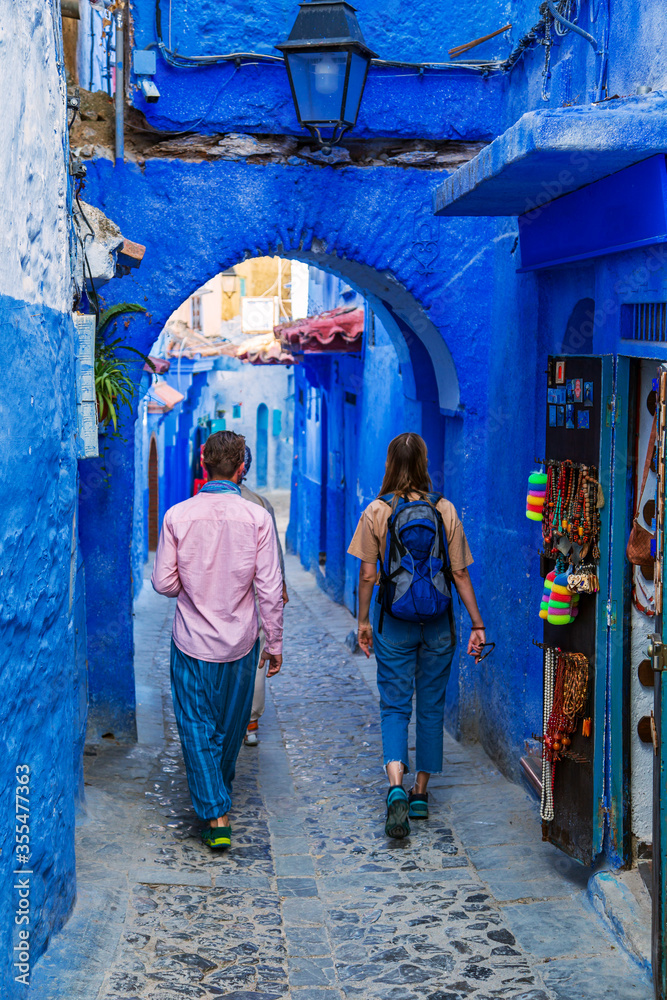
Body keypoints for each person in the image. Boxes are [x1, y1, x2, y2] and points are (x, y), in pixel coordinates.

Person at [348, 432, 485, 840]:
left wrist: (363, 622)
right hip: (439, 625)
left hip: (394, 624)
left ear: (390, 463)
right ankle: (421, 792)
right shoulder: (444, 509)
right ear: (424, 463)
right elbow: (459, 573)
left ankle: (395, 787)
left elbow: (368, 574)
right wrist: (477, 624)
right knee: (430, 705)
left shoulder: (376, 510)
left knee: (394, 705)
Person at [151, 431, 283, 851]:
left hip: (190, 641)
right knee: (228, 728)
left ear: (203, 464)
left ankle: (214, 808)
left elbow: (163, 582)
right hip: (241, 645)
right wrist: (274, 643)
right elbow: (270, 587)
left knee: (195, 725)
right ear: (241, 467)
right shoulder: (257, 519)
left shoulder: (177, 516)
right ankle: (217, 809)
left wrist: (193, 586)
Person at [237, 445, 289, 747]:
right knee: (257, 653)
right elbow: (273, 553)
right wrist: (279, 585)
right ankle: (251, 721)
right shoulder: (260, 504)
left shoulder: (194, 505)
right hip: (254, 590)